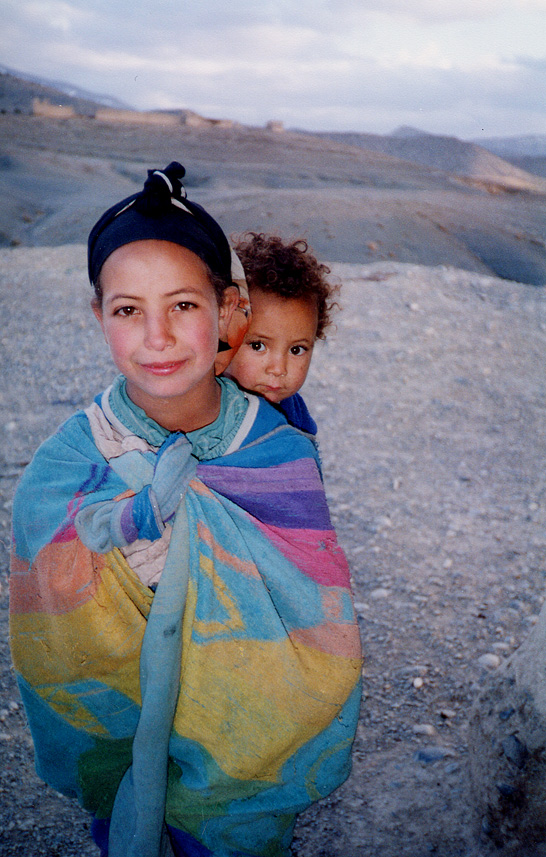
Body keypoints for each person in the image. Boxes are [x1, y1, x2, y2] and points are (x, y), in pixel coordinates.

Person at [9, 162, 362, 857]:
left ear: (230, 311)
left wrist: (195, 551)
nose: (158, 335)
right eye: (128, 309)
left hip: (237, 750)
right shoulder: (79, 448)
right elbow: (40, 540)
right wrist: (113, 554)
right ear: (99, 317)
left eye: (183, 305)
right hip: (121, 714)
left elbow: (314, 596)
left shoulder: (276, 449)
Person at [227, 233, 337, 436]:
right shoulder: (208, 415)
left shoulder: (293, 411)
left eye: (296, 349)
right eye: (258, 346)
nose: (278, 369)